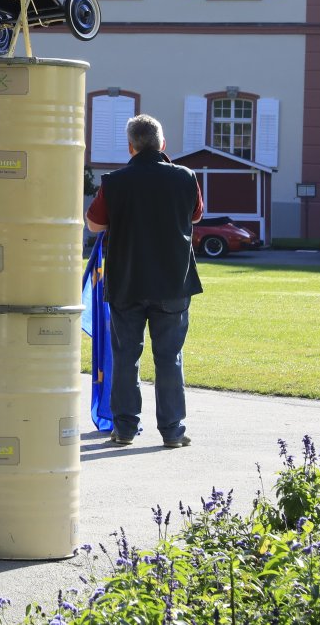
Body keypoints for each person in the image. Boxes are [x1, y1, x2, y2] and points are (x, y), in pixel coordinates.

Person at [84, 114, 204, 449]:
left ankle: (124, 428)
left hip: (127, 281)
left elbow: (94, 224)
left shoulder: (114, 182)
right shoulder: (186, 177)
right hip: (172, 281)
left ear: (130, 146)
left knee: (126, 357)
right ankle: (172, 430)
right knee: (169, 358)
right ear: (162, 143)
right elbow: (196, 215)